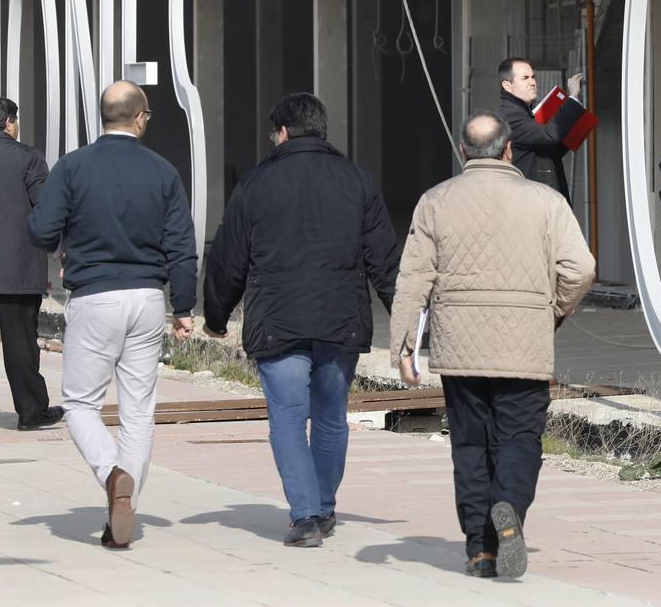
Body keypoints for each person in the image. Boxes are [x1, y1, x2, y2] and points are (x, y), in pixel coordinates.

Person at [391, 110, 594, 579]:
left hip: (460, 347)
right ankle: (508, 507)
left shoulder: (434, 201)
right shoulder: (545, 201)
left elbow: (413, 278)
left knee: (469, 445)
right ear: (508, 150)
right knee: (519, 439)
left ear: (463, 151)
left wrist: (405, 347)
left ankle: (480, 551)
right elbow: (580, 269)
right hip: (523, 343)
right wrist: (553, 311)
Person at [203, 93, 400, 547]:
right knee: (331, 416)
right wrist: (407, 324)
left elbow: (228, 259)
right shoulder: (357, 181)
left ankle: (306, 515)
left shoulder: (256, 184)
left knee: (288, 418)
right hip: (340, 321)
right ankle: (324, 507)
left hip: (278, 320)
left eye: (273, 133)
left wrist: (216, 316)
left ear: (285, 132)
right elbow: (384, 261)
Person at [28, 81, 198, 549]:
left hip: (94, 297)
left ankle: (111, 474)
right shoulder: (163, 172)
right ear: (140, 117)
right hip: (146, 298)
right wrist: (183, 306)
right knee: (138, 411)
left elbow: (42, 230)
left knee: (81, 404)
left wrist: (66, 241)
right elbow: (183, 247)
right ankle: (124, 506)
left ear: (102, 117)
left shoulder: (73, 167)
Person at [0, 97, 63, 437]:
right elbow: (46, 209)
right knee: (21, 344)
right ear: (9, 122)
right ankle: (31, 411)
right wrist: (53, 248)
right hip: (19, 271)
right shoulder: (28, 157)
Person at [497, 57, 586, 200]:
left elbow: (551, 149)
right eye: (525, 78)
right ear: (507, 85)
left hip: (541, 200)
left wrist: (576, 127)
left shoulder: (522, 113)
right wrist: (573, 98)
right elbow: (550, 135)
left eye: (533, 77)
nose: (532, 82)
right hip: (532, 204)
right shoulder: (510, 116)